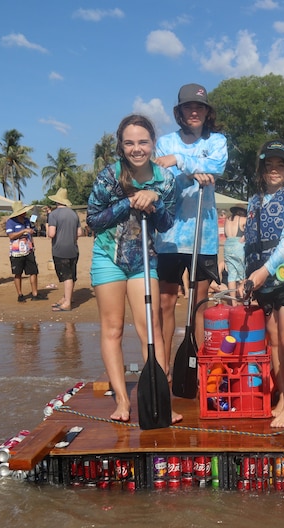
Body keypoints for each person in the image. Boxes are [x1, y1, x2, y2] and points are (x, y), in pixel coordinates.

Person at [86, 114, 180, 423]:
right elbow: (93, 220)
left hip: (144, 260)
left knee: (150, 330)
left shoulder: (164, 179)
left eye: (143, 142)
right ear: (121, 145)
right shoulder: (109, 177)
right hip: (108, 259)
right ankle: (123, 403)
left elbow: (166, 225)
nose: (136, 148)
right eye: (129, 143)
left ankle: (161, 400)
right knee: (112, 329)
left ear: (153, 143)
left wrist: (156, 201)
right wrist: (128, 202)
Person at [153, 83, 228, 365]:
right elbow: (161, 177)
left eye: (199, 107)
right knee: (166, 303)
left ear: (207, 112)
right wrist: (195, 168)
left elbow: (217, 166)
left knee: (200, 302)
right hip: (169, 236)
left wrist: (180, 161)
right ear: (180, 112)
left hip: (204, 234)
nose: (194, 111)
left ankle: (201, 364)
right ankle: (164, 366)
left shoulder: (217, 141)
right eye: (188, 107)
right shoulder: (165, 142)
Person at [243, 139, 284, 428]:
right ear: (261, 169)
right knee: (272, 340)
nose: (274, 169)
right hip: (261, 280)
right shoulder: (253, 201)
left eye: (280, 164)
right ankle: (283, 396)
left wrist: (265, 271)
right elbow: (247, 242)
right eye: (268, 164)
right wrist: (245, 274)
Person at [46, 188, 83, 311]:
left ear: (57, 201)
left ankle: (67, 303)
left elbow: (51, 233)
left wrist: (47, 226)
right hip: (73, 249)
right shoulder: (73, 214)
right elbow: (79, 233)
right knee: (71, 275)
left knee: (66, 277)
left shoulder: (53, 215)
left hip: (60, 250)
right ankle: (67, 298)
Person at [5, 201, 39, 302]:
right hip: (16, 252)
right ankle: (20, 294)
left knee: (33, 272)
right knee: (18, 273)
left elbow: (31, 233)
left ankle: (35, 294)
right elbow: (11, 236)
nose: (25, 213)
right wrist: (23, 231)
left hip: (28, 250)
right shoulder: (10, 222)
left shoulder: (27, 221)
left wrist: (32, 244)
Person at [223, 204, 247, 299]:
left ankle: (233, 301)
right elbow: (250, 230)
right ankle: (245, 298)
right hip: (239, 246)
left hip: (228, 245)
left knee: (232, 275)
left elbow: (225, 234)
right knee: (243, 273)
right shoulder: (243, 219)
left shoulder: (227, 220)